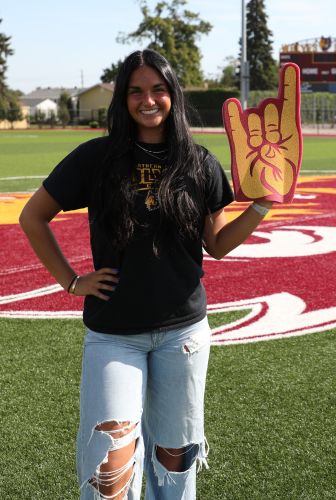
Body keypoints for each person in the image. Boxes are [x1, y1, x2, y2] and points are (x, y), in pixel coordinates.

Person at [19, 49, 273, 500]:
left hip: (185, 334)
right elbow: (33, 216)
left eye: (158, 89)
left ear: (172, 94)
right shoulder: (96, 158)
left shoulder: (198, 161)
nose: (147, 100)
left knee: (175, 463)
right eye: (135, 91)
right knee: (109, 470)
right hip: (114, 335)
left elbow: (216, 245)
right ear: (122, 98)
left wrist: (262, 205)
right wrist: (72, 281)